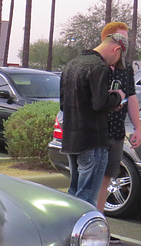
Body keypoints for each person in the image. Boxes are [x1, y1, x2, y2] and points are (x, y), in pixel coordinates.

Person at [61, 34, 126, 206]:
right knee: (87, 201)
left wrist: (108, 102)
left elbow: (63, 104)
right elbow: (99, 103)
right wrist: (117, 97)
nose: (114, 64)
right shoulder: (99, 67)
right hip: (92, 141)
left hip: (71, 140)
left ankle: (69, 232)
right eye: (117, 59)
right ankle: (83, 233)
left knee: (73, 195)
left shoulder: (71, 64)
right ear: (116, 49)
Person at [97, 23, 141, 222]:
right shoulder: (95, 67)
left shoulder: (125, 70)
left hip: (116, 134)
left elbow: (131, 98)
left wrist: (137, 128)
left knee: (106, 179)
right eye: (121, 38)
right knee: (89, 181)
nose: (124, 43)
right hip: (94, 134)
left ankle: (99, 222)